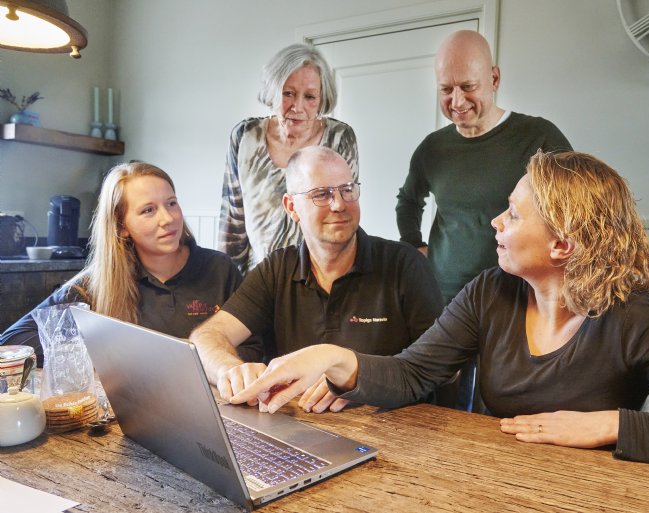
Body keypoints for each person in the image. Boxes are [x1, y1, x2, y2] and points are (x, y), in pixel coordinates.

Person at [223, 150, 649, 469]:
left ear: (562, 244)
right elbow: (415, 373)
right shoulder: (491, 292)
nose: (496, 223)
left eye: (513, 216)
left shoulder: (634, 321)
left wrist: (607, 425)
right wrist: (332, 358)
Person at [191, 146, 443, 413]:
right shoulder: (277, 270)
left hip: (396, 428)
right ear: (292, 207)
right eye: (321, 194)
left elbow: (439, 368)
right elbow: (206, 336)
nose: (339, 204)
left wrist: (355, 379)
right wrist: (229, 369)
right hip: (297, 428)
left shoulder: (404, 264)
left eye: (347, 190)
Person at [395, 30, 572, 410]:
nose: (456, 102)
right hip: (442, 298)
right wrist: (415, 246)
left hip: (514, 298)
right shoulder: (433, 148)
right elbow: (408, 201)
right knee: (441, 405)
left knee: (499, 403)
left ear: (494, 78)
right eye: (445, 90)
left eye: (467, 87)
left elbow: (572, 209)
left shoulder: (538, 136)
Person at [1, 162, 262, 365]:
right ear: (122, 226)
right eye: (148, 210)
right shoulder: (97, 283)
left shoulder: (219, 269)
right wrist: (108, 355)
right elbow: (12, 342)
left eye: (171, 203)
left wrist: (203, 356)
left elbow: (256, 347)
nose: (168, 218)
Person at [219, 43, 359, 274]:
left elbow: (345, 216)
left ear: (322, 98)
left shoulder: (340, 138)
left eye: (310, 96)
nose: (298, 107)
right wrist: (228, 289)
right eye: (288, 93)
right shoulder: (246, 137)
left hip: (320, 277)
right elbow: (232, 224)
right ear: (273, 91)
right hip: (260, 279)